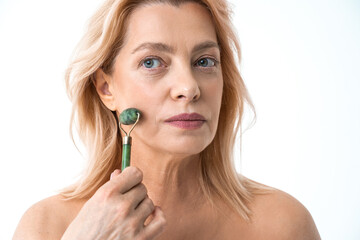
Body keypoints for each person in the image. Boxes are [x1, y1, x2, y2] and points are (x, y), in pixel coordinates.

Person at [13, 0, 321, 239]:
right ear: (106, 88)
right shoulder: (48, 227)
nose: (189, 87)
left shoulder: (284, 224)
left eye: (204, 61)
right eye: (151, 62)